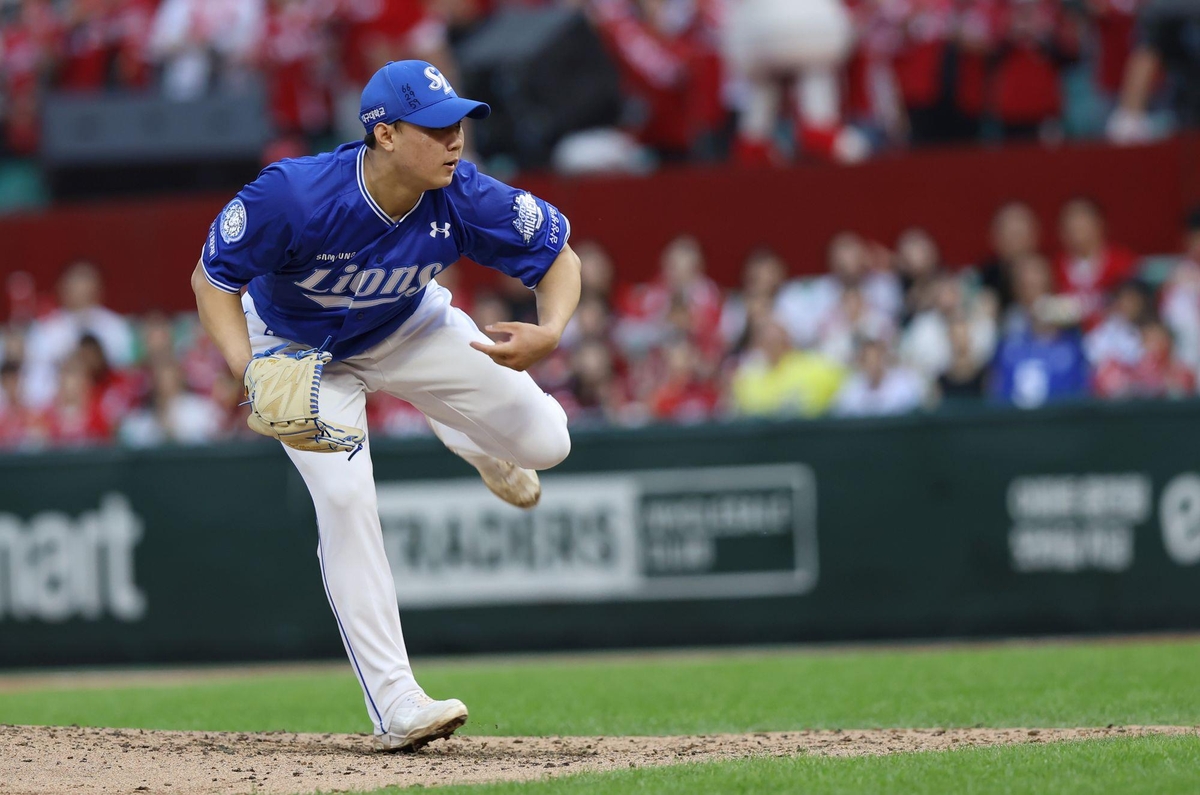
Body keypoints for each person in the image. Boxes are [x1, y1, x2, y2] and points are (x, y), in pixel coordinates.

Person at [191, 60, 580, 752]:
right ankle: (396, 700)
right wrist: (249, 371)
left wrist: (550, 329)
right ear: (387, 133)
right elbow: (212, 277)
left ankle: (469, 435)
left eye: (459, 121)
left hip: (410, 327)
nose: (455, 138)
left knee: (550, 443)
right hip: (300, 352)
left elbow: (560, 258)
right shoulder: (296, 194)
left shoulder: (462, 193)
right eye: (436, 127)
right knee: (345, 500)